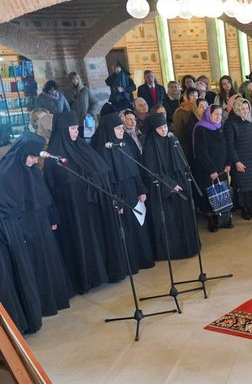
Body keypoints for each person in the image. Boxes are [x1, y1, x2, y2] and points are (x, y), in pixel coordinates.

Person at [44, 112, 124, 293]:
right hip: (75, 212)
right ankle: (89, 279)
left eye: (77, 128)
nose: (76, 132)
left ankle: (108, 271)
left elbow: (100, 169)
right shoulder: (54, 158)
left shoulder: (82, 147)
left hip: (96, 206)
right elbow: (55, 188)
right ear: (63, 131)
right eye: (73, 128)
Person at [0, 132, 73, 323]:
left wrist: (51, 216)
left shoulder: (31, 169)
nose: (34, 161)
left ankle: (52, 300)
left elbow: (42, 195)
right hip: (24, 228)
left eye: (36, 157)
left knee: (47, 260)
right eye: (32, 157)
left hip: (40, 223)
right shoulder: (6, 173)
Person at [91, 112, 155, 272]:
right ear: (110, 129)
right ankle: (131, 263)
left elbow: (135, 170)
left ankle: (143, 259)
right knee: (126, 230)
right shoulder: (103, 150)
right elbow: (107, 180)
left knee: (138, 227)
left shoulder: (124, 144)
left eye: (122, 128)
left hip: (132, 190)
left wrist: (141, 190)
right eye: (118, 128)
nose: (122, 131)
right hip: (118, 195)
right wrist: (116, 200)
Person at [141, 112, 200, 261]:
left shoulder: (172, 139)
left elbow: (182, 162)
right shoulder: (150, 146)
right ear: (154, 129)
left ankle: (189, 246)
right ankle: (174, 251)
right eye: (160, 128)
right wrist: (170, 185)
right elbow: (152, 172)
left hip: (180, 183)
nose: (163, 130)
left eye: (165, 127)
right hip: (164, 189)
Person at [225, 98, 252, 221]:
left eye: (247, 108)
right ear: (236, 109)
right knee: (243, 187)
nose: (245, 111)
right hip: (241, 159)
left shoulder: (251, 120)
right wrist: (237, 162)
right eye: (242, 109)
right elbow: (230, 145)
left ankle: (250, 208)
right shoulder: (230, 123)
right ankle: (244, 210)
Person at [193, 104, 232, 231]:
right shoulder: (201, 128)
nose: (218, 117)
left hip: (222, 167)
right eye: (216, 114)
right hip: (208, 170)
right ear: (209, 115)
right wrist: (211, 169)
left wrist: (228, 163)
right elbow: (202, 152)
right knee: (210, 195)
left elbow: (227, 146)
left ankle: (224, 219)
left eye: (220, 114)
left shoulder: (220, 127)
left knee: (222, 193)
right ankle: (212, 220)